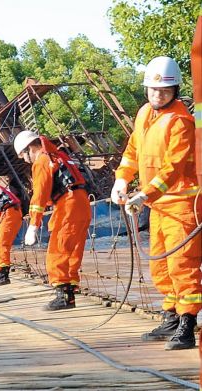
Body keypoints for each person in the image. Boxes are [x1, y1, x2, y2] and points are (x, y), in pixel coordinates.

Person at [110, 56, 201, 350]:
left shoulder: (181, 121)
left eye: (163, 91)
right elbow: (133, 151)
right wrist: (122, 178)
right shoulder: (144, 115)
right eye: (152, 90)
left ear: (174, 91)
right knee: (160, 265)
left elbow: (172, 169)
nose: (157, 95)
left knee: (182, 264)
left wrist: (145, 194)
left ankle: (188, 323)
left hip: (182, 204)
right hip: (158, 205)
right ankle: (172, 314)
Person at [13, 130, 91, 311]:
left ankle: (63, 296)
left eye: (24, 155)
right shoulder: (59, 155)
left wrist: (33, 224)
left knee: (58, 249)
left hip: (68, 205)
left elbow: (39, 195)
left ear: (30, 148)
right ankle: (70, 290)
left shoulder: (41, 161)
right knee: (73, 250)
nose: (25, 160)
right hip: (82, 202)